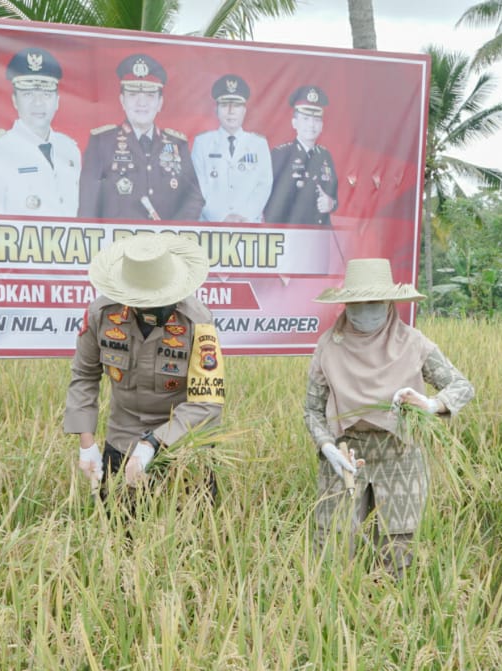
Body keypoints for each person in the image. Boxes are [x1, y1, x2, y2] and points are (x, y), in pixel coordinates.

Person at [304, 258, 474, 573]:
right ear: (346, 305)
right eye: (357, 304)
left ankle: (394, 613)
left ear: (388, 303)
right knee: (333, 546)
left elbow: (462, 386)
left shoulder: (414, 343)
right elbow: (312, 409)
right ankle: (335, 614)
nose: (365, 311)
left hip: (400, 453)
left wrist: (431, 404)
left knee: (399, 550)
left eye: (374, 303)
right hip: (346, 455)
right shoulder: (329, 346)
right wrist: (327, 447)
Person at [64, 233, 224, 490]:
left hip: (183, 439)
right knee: (117, 523)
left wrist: (153, 442)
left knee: (193, 523)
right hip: (124, 437)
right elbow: (84, 376)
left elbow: (207, 402)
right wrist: (87, 444)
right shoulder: (102, 315)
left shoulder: (197, 321)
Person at [78, 54, 204, 222]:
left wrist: (172, 232)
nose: (141, 103)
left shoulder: (177, 144)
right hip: (118, 244)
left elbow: (194, 199)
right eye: (133, 94)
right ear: (122, 100)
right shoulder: (102, 142)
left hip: (165, 245)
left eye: (150, 95)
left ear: (160, 102)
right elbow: (88, 205)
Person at [0, 47, 82, 217]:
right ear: (15, 100)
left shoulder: (69, 148)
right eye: (28, 94)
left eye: (46, 94)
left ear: (57, 101)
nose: (38, 103)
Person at [190, 74, 272, 223]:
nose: (230, 111)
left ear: (244, 110)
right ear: (216, 110)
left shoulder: (258, 144)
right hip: (212, 224)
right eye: (224, 105)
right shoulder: (202, 143)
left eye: (236, 105)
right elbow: (197, 187)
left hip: (249, 224)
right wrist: (222, 217)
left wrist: (244, 216)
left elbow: (264, 185)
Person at [264, 85, 338, 226]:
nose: (311, 125)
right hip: (292, 236)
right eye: (305, 119)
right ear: (294, 123)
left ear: (322, 126)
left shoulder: (325, 156)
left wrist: (331, 203)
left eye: (316, 120)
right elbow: (269, 204)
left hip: (320, 235)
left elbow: (335, 198)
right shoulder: (280, 155)